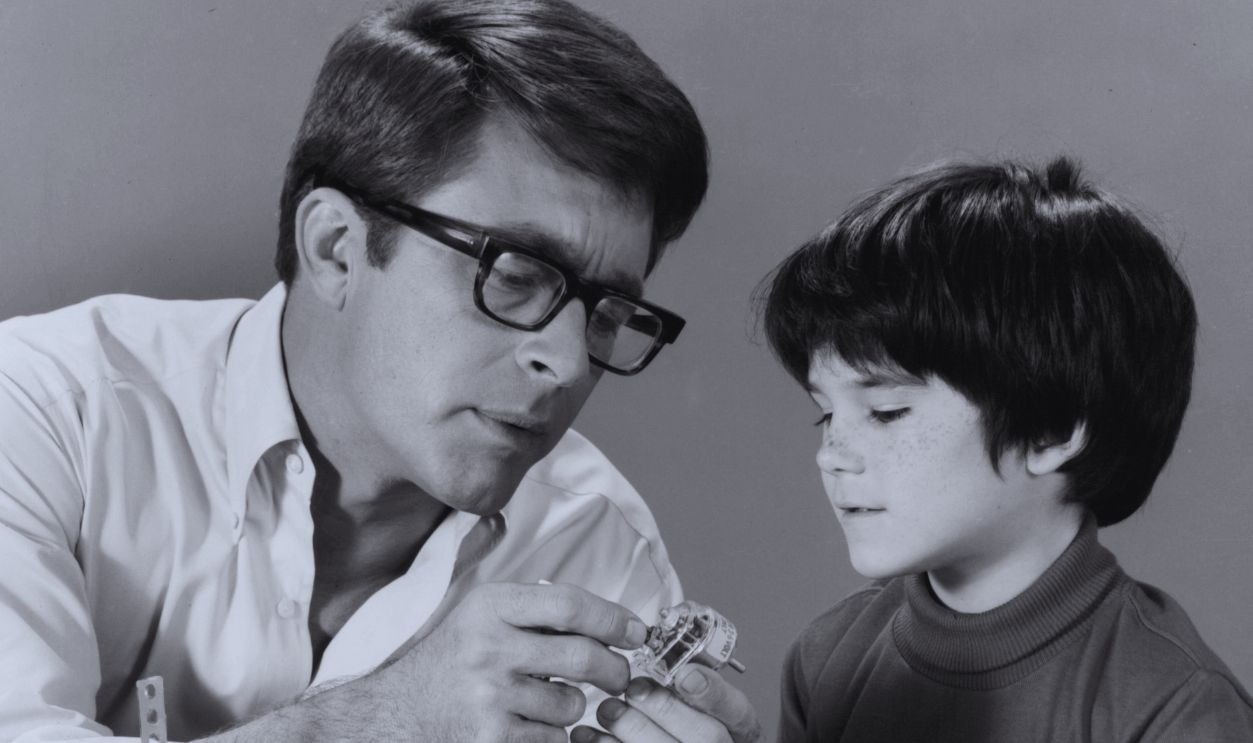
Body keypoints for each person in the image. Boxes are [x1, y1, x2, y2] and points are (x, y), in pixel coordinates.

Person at [0, 1, 759, 741]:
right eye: (516, 274)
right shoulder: (42, 408)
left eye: (603, 310)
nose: (564, 363)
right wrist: (386, 717)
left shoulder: (595, 545)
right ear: (336, 247)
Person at [759, 156, 1253, 741]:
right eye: (826, 413)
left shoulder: (1172, 706)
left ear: (1050, 429)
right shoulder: (827, 657)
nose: (832, 454)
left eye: (887, 411)